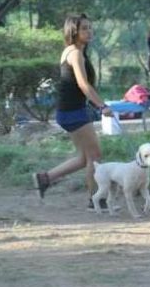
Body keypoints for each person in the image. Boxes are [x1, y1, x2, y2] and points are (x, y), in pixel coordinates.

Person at [33, 13, 114, 209]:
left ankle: (45, 178)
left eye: (90, 27)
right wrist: (102, 106)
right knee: (95, 156)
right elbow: (83, 85)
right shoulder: (75, 53)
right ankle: (96, 200)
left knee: (85, 158)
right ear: (74, 31)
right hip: (73, 112)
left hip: (70, 110)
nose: (89, 31)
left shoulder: (74, 51)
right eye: (84, 28)